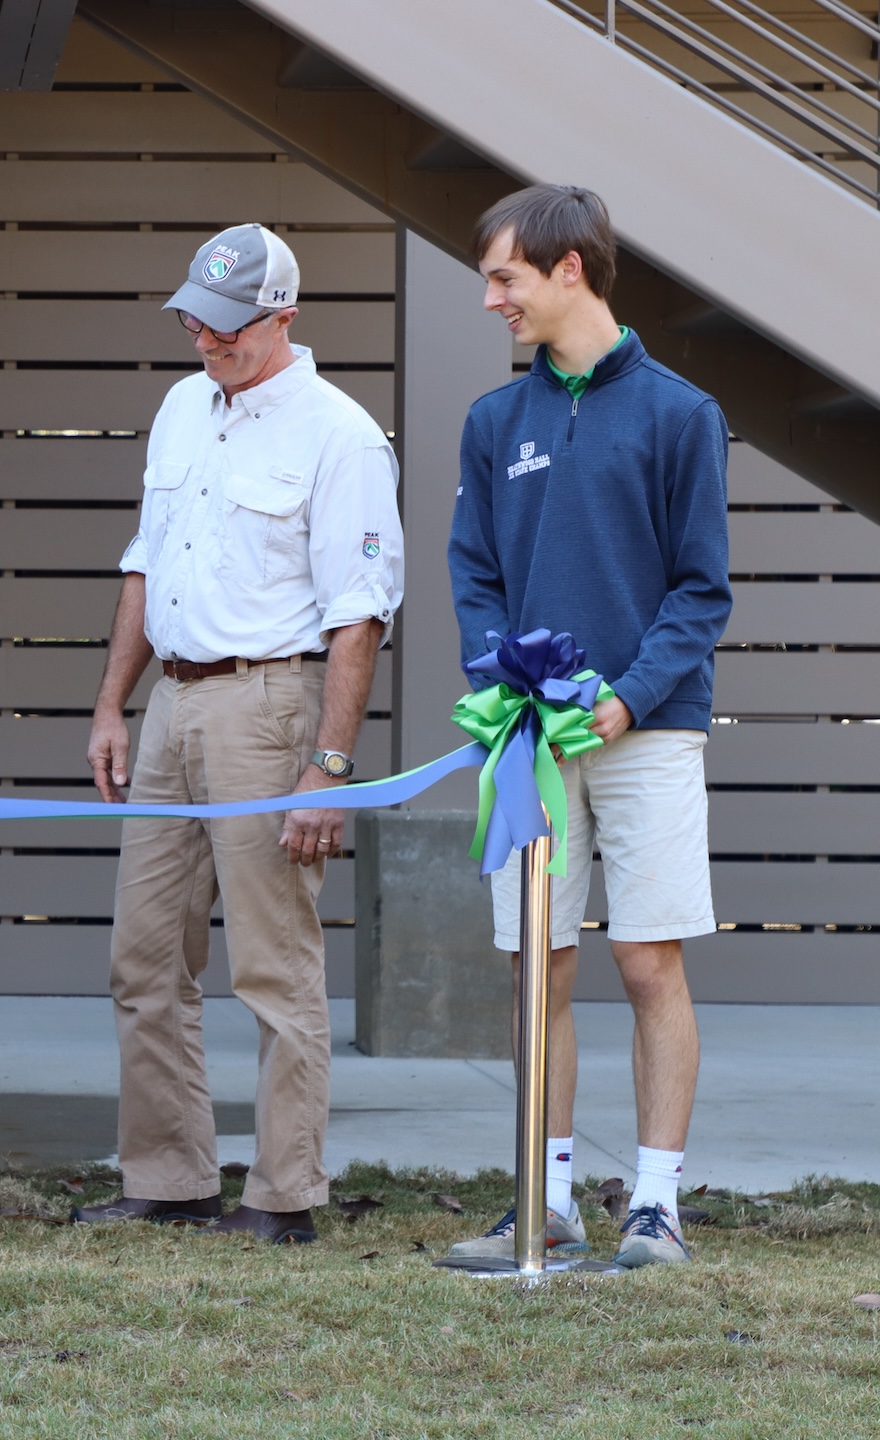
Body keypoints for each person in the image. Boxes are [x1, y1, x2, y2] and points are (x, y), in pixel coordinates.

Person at [73, 225, 403, 1245]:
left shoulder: (340, 435)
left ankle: (285, 1195)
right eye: (193, 319)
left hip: (270, 707)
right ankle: (168, 1178)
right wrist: (110, 704)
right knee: (143, 958)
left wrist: (327, 767)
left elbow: (360, 616)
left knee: (272, 962)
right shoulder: (181, 406)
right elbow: (146, 562)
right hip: (170, 700)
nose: (203, 339)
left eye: (225, 326)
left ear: (282, 317)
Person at [444, 186, 729, 1270]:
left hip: (650, 731)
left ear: (572, 272)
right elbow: (476, 575)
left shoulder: (681, 415)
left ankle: (653, 1205)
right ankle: (544, 1199)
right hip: (527, 739)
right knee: (539, 967)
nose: (490, 299)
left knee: (649, 961)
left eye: (505, 277)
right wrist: (503, 682)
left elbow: (701, 594)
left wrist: (624, 698)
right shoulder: (490, 424)